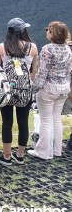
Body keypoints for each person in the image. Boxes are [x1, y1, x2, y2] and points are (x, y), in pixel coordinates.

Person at [0, 18, 38, 166]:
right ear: (24, 30)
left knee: (7, 123)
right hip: (25, 91)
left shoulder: (1, 47)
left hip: (7, 91)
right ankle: (20, 156)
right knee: (23, 123)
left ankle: (6, 156)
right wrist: (24, 83)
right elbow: (34, 71)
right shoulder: (33, 47)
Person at [27, 21, 72, 160]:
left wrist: (34, 89)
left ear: (53, 33)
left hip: (48, 89)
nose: (46, 31)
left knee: (45, 120)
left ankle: (43, 152)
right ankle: (57, 150)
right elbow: (69, 70)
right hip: (63, 89)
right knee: (56, 119)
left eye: (48, 29)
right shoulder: (68, 49)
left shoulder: (47, 49)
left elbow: (42, 72)